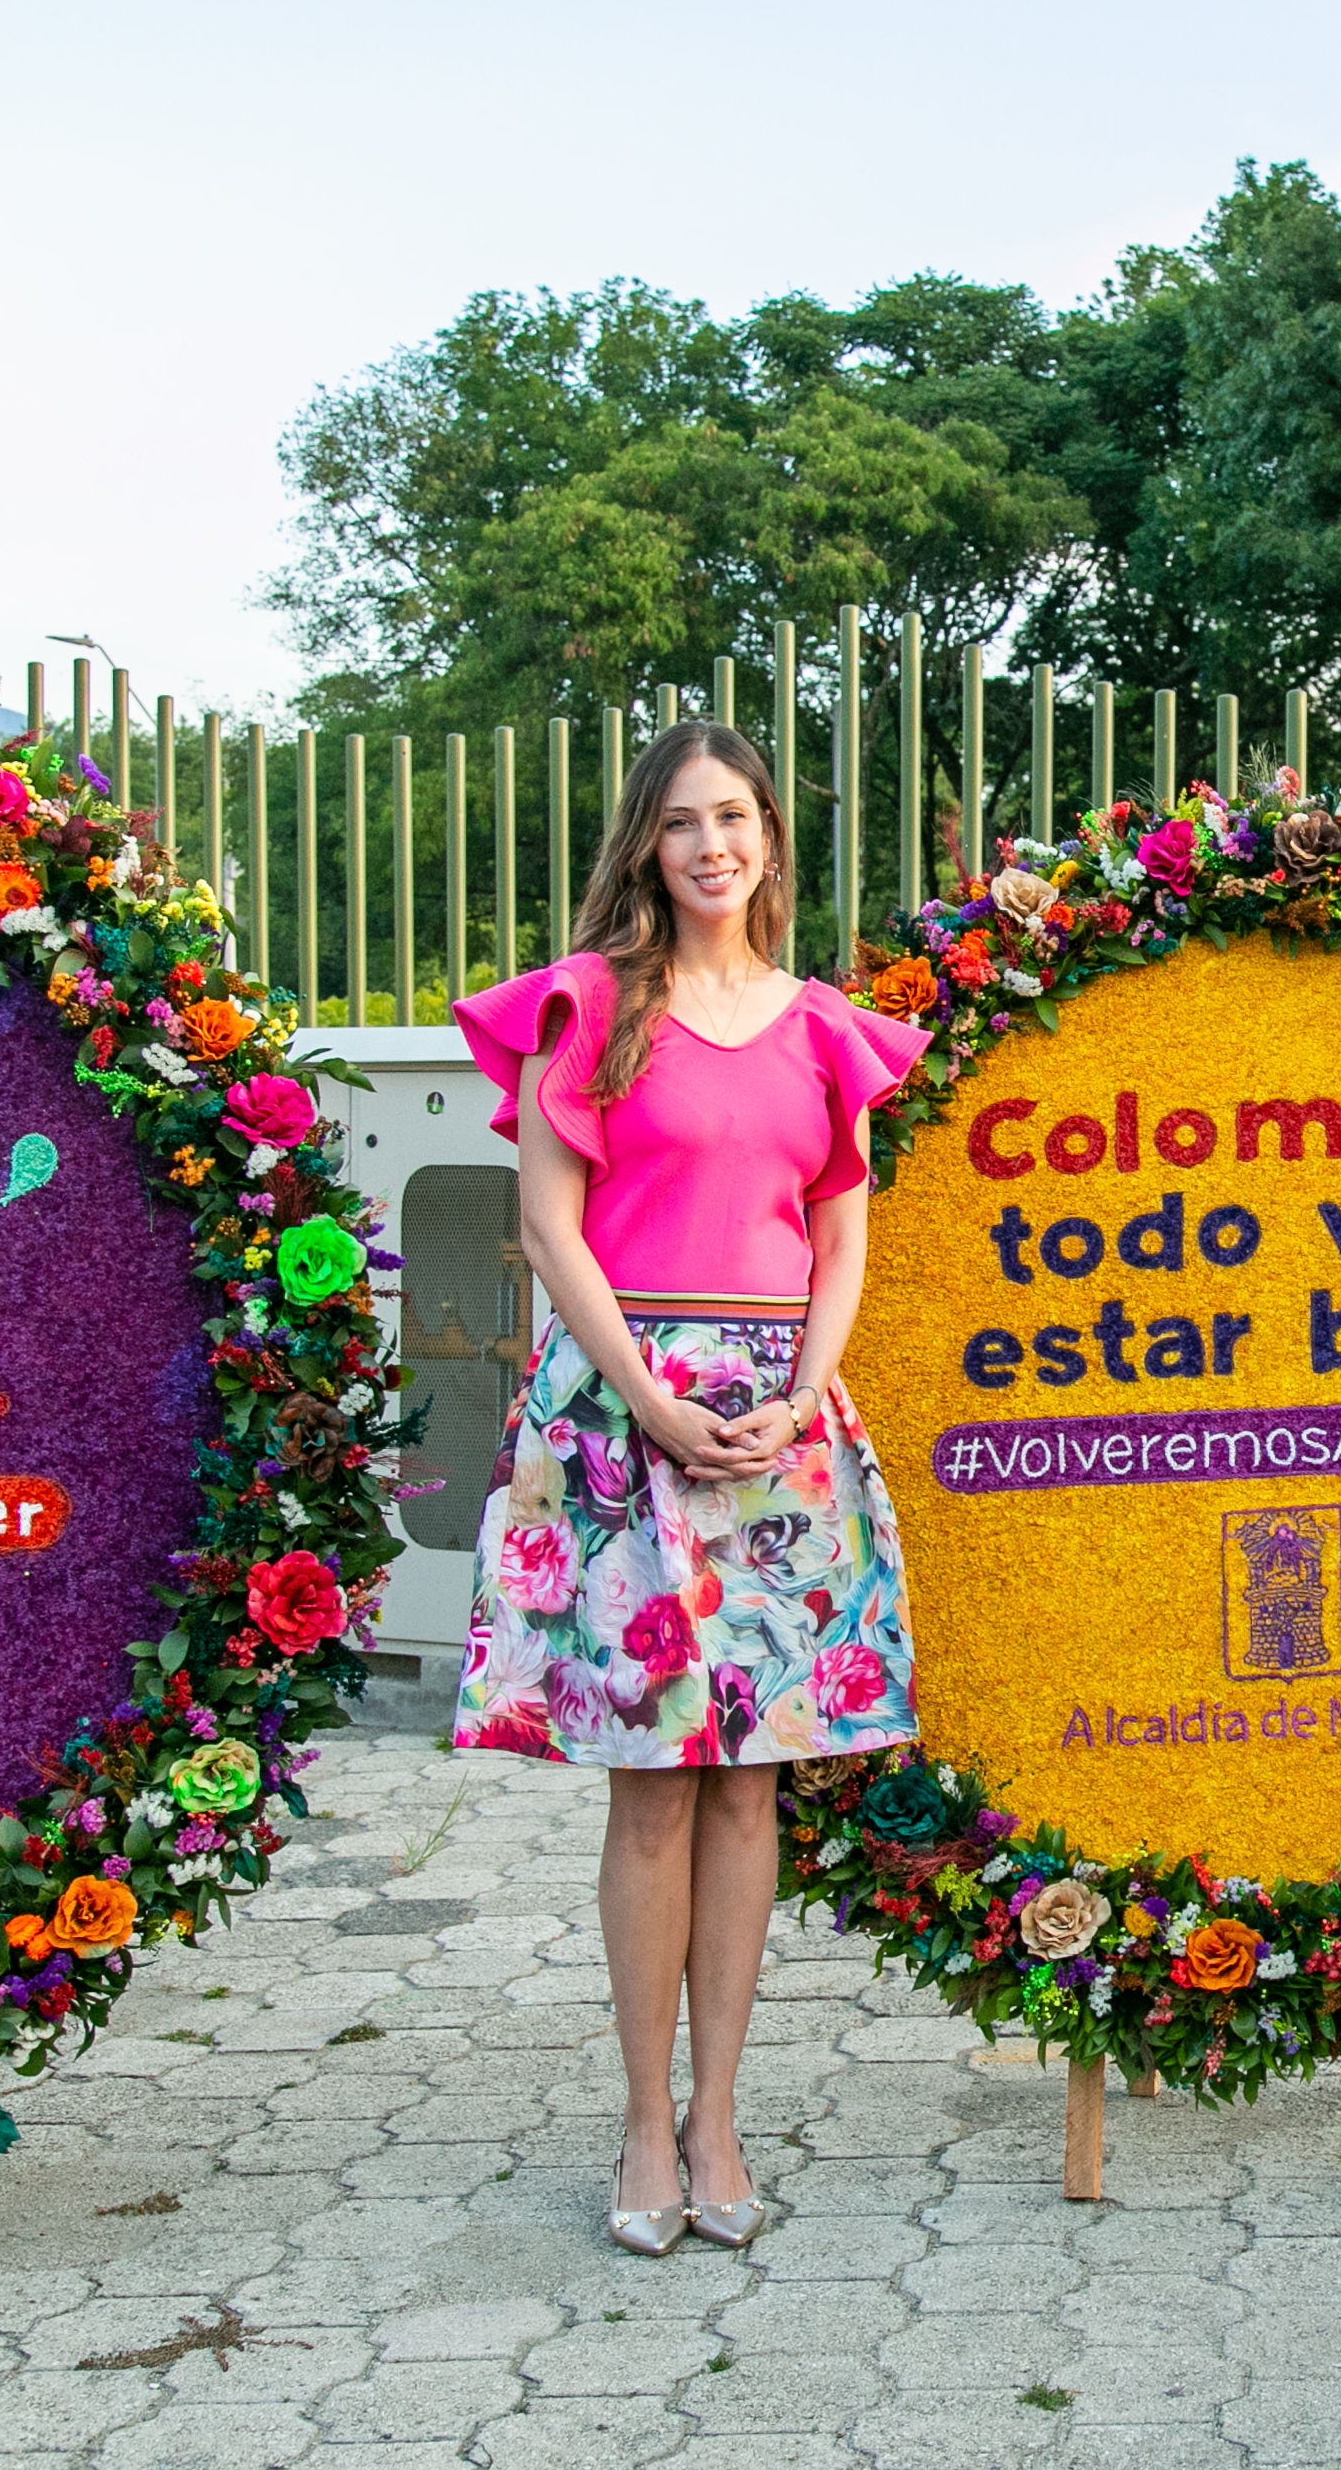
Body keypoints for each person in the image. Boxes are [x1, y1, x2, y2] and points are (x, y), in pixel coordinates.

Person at [448, 721, 927, 2255]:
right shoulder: (587, 1008)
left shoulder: (826, 1029)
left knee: (750, 1782)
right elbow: (546, 1225)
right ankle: (645, 2129)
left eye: (733, 816)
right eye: (679, 823)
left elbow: (841, 1231)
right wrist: (649, 1397)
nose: (711, 844)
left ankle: (722, 2113)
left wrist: (796, 1393)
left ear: (770, 837)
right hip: (621, 1406)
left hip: (782, 1425)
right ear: (645, 848)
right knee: (652, 1789)